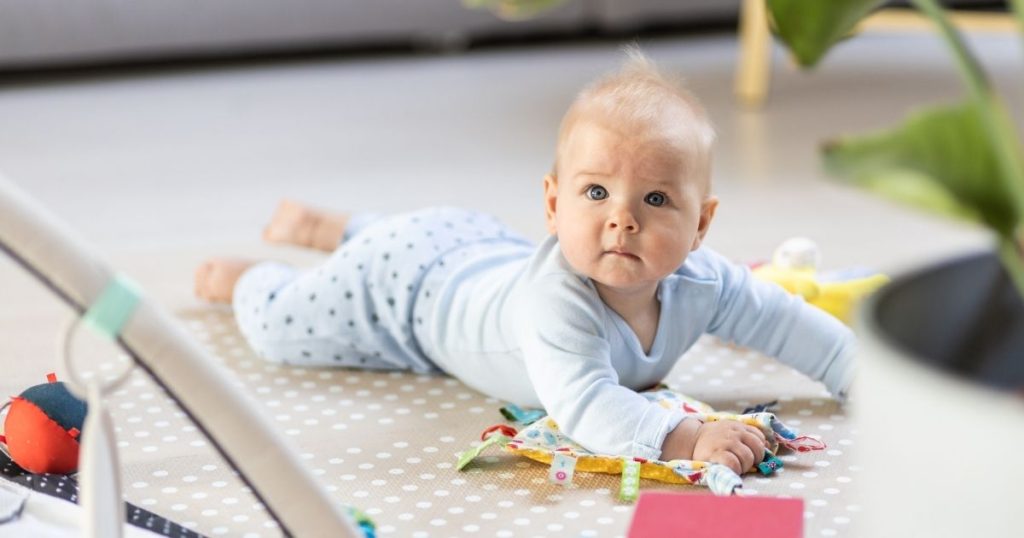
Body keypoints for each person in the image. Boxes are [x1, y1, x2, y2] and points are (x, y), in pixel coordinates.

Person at [194, 49, 854, 475]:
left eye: (655, 199)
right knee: (282, 330)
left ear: (701, 224)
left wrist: (859, 373)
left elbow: (784, 320)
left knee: (404, 242)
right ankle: (257, 279)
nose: (622, 218)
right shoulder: (556, 300)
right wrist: (685, 439)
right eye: (595, 193)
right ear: (553, 204)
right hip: (405, 289)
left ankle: (336, 228)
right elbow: (588, 404)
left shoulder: (705, 281)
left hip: (475, 249)